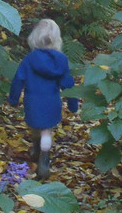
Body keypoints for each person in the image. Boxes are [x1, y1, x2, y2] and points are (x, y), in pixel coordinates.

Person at [7, 18, 79, 180]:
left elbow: (18, 80)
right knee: (47, 130)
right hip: (52, 102)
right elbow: (68, 84)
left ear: (34, 37)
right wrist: (73, 105)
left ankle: (35, 149)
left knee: (35, 127)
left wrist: (13, 99)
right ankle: (44, 159)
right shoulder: (61, 61)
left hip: (33, 102)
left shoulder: (29, 60)